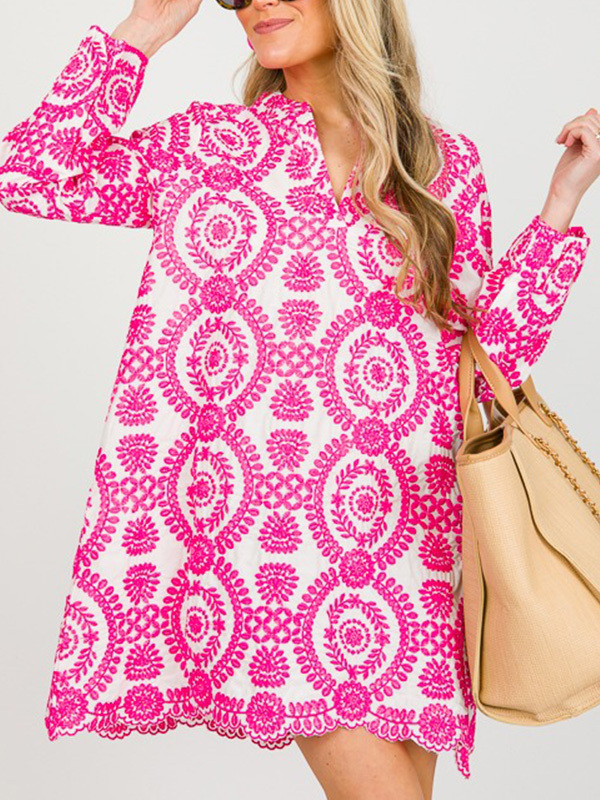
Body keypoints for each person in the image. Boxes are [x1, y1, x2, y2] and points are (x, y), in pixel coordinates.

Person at [0, 1, 597, 798]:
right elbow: (30, 172)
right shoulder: (215, 146)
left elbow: (492, 358)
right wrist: (146, 27)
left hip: (415, 539)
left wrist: (563, 200)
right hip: (284, 547)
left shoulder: (441, 163)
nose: (258, 1)